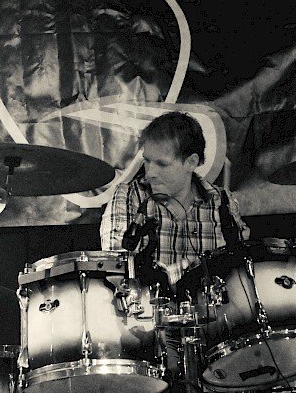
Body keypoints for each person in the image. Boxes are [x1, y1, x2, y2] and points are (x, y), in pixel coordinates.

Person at [100, 111, 249, 291]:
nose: (150, 173)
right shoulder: (129, 195)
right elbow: (117, 270)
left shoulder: (222, 201)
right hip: (150, 308)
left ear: (191, 162)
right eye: (147, 161)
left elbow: (240, 272)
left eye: (162, 164)